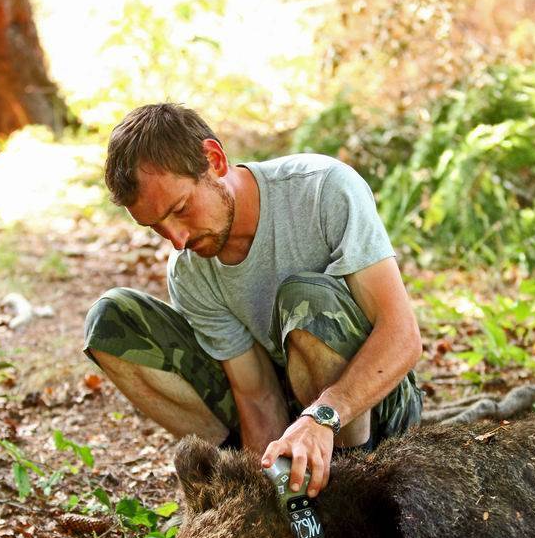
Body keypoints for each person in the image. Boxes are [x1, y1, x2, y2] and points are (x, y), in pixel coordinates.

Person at [84, 104, 423, 498]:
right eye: (156, 227)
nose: (176, 239)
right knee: (110, 320)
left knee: (304, 299)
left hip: (370, 409)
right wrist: (265, 492)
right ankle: (266, 481)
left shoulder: (323, 189)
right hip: (290, 410)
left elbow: (403, 337)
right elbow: (256, 394)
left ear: (214, 160)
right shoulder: (190, 268)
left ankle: (348, 491)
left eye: (180, 210)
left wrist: (322, 417)